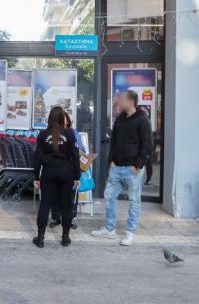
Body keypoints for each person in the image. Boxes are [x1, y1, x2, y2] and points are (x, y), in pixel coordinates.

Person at [92, 90, 152, 246]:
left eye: (122, 99)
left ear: (131, 101)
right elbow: (114, 142)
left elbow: (147, 145)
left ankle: (130, 232)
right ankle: (109, 229)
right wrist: (111, 161)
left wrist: (138, 165)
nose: (119, 101)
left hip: (133, 169)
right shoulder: (119, 119)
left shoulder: (142, 120)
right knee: (109, 196)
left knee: (134, 201)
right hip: (116, 168)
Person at [32, 107, 81, 248]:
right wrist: (77, 176)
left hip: (49, 172)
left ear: (49, 118)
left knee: (45, 204)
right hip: (66, 172)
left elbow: (37, 157)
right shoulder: (69, 133)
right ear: (62, 118)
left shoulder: (43, 134)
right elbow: (75, 156)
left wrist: (36, 177)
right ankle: (65, 238)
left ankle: (40, 238)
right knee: (66, 205)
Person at [49, 112, 86, 229]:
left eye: (64, 119)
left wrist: (74, 150)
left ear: (67, 121)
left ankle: (71, 218)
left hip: (71, 168)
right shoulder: (51, 133)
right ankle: (56, 217)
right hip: (56, 168)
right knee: (55, 193)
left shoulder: (74, 133)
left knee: (72, 194)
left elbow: (82, 151)